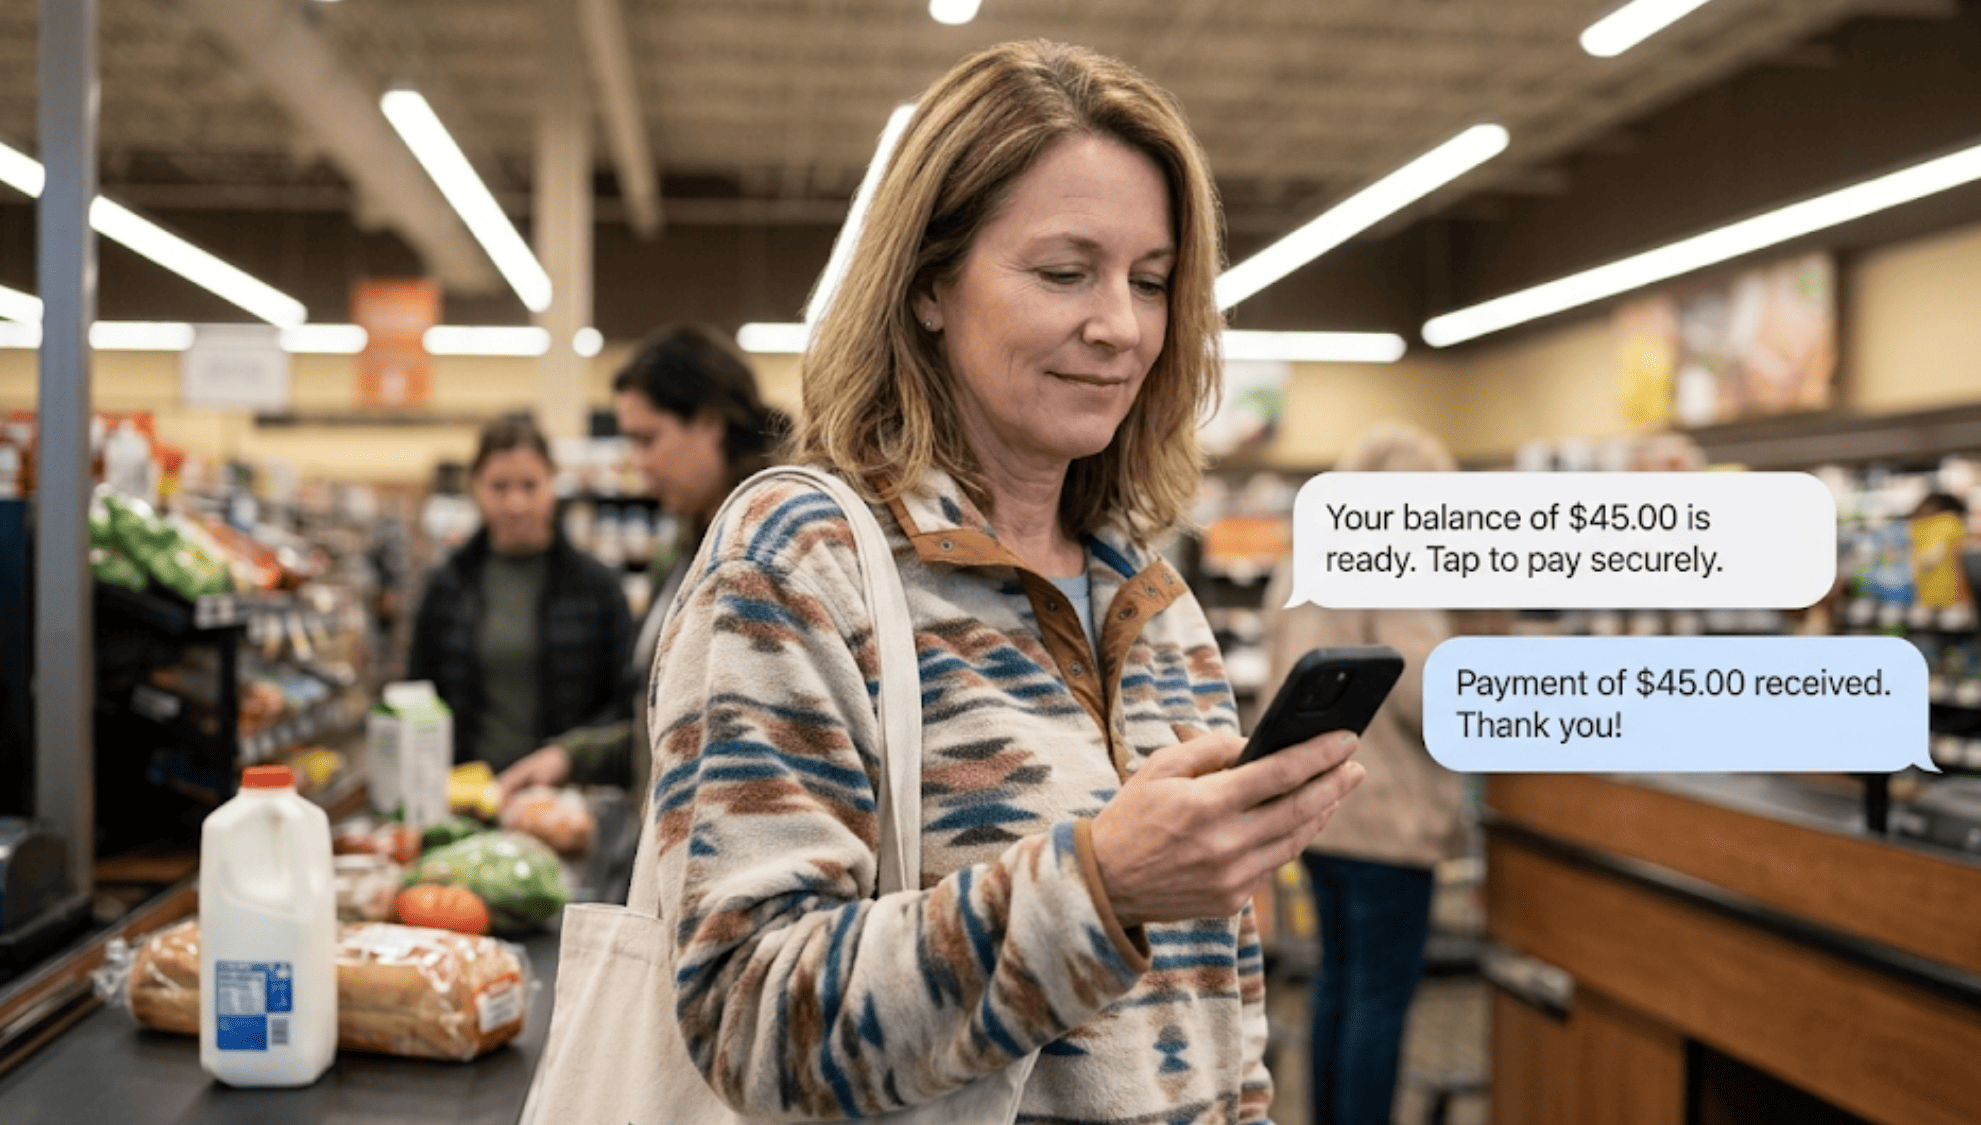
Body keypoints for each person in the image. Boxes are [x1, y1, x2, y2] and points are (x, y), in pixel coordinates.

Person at [643, 39, 1365, 1123]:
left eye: (1150, 281)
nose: (1118, 325)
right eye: (1063, 272)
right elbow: (748, 1016)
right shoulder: (798, 561)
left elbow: (1218, 1015)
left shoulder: (1151, 602)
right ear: (929, 285)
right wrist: (1099, 887)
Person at [1259, 422, 1468, 1125]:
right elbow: (1425, 690)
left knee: (1338, 983)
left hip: (1320, 809)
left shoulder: (1305, 558)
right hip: (1389, 817)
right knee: (1380, 998)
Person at [496, 325, 790, 797]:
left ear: (710, 423)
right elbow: (665, 731)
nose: (639, 463)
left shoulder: (775, 546)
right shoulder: (683, 546)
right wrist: (572, 757)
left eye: (647, 439)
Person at [407, 417, 633, 774]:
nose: (515, 503)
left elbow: (623, 701)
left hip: (564, 797)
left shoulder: (598, 588)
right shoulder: (446, 586)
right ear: (475, 488)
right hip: (468, 791)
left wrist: (572, 758)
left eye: (530, 485)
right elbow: (418, 692)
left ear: (552, 484)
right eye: (499, 486)